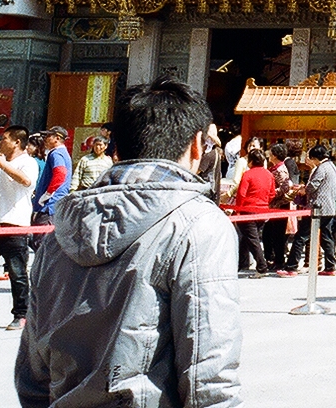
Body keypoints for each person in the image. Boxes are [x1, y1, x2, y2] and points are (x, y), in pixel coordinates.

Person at [14, 79, 240, 406]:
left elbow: (33, 374)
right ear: (196, 145)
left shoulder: (60, 232)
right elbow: (209, 373)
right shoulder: (198, 224)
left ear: (115, 147)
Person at [0, 124, 36, 330]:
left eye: (4, 139)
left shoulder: (28, 163)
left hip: (15, 226)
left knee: (17, 274)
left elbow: (25, 181)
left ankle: (21, 314)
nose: (1, 142)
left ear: (17, 142)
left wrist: (3, 166)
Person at [285, 144, 336, 277]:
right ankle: (330, 266)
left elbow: (312, 186)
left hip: (317, 208)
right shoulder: (332, 166)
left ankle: (291, 267)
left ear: (315, 158)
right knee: (327, 237)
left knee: (301, 237)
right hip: (329, 207)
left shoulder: (321, 168)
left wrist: (303, 190)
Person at [231, 147, 275, 275]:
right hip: (263, 210)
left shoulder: (248, 174)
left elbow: (241, 194)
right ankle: (242, 263)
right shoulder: (269, 175)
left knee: (252, 238)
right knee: (249, 237)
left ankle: (262, 266)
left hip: (248, 210)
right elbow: (272, 194)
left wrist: (238, 209)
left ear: (250, 162)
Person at [30, 126, 72, 243]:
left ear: (57, 138)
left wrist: (48, 194)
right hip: (55, 206)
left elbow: (60, 173)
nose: (45, 139)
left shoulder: (56, 154)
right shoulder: (63, 153)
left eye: (48, 136)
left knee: (41, 243)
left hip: (49, 207)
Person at [264, 142, 296, 273]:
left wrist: (272, 193)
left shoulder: (280, 169)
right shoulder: (274, 168)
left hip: (280, 205)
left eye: (271, 153)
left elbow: (284, 187)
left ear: (275, 155)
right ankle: (274, 259)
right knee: (270, 233)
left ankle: (279, 261)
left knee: (277, 235)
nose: (269, 155)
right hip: (274, 205)